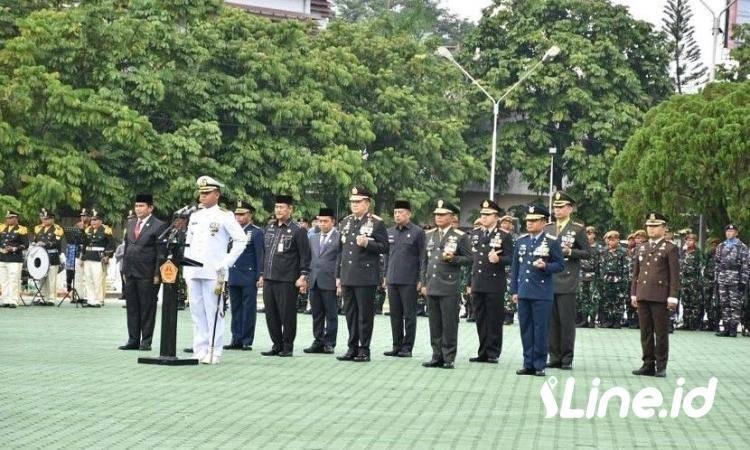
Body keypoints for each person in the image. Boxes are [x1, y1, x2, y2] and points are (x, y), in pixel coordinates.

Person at [182, 176, 247, 364]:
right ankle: (199, 348)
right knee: (196, 311)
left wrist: (226, 261)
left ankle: (214, 350)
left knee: (214, 311)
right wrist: (186, 269)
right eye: (201, 193)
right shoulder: (195, 216)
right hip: (194, 270)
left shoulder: (225, 216)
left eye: (207, 193)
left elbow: (241, 240)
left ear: (217, 194)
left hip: (213, 271)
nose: (202, 196)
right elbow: (189, 243)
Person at [510, 205, 564, 377]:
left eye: (534, 221)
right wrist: (514, 290)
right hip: (524, 291)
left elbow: (560, 265)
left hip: (541, 292)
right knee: (525, 329)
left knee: (540, 329)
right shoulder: (521, 241)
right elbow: (515, 267)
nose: (530, 224)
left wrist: (546, 266)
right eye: (528, 220)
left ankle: (539, 364)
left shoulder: (551, 241)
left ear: (543, 222)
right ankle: (528, 363)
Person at [336, 186, 388, 362]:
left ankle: (364, 349)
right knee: (350, 313)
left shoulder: (376, 223)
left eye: (358, 202)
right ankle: (352, 347)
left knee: (364, 315)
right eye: (352, 202)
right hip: (348, 275)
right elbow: (340, 251)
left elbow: (385, 247)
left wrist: (368, 244)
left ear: (367, 203)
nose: (354, 205)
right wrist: (338, 276)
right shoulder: (346, 222)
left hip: (365, 276)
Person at [420, 201, 472, 369]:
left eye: (442, 215)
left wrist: (454, 259)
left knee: (449, 323)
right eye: (437, 214)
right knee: (434, 323)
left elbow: (470, 259)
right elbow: (424, 261)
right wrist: (423, 282)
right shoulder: (429, 234)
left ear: (451, 217)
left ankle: (448, 357)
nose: (438, 217)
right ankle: (436, 355)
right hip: (432, 284)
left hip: (449, 284)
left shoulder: (460, 236)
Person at [259, 194, 311, 357]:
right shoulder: (270, 228)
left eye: (282, 207)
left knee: (287, 314)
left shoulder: (298, 230)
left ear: (290, 209)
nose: (278, 210)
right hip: (269, 277)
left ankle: (287, 346)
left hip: (287, 279)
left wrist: (303, 276)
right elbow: (264, 253)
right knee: (271, 313)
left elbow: (305, 256)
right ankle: (276, 344)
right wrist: (261, 274)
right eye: (276, 207)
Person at [544, 191, 589, 370]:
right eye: (555, 207)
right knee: (551, 322)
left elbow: (587, 252)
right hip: (549, 279)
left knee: (566, 322)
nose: (557, 210)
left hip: (567, 280)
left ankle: (566, 358)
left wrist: (571, 252)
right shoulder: (547, 228)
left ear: (570, 208)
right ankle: (553, 356)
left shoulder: (577, 228)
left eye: (561, 207)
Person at [631, 213, 679, 378]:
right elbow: (635, 274)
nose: (651, 229)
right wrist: (633, 294)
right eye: (649, 226)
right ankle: (647, 363)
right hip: (643, 294)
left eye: (655, 226)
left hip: (660, 296)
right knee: (645, 332)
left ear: (664, 228)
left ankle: (661, 365)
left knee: (661, 332)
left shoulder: (670, 248)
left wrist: (673, 297)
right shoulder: (641, 247)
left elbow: (674, 275)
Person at [119, 194, 167, 350]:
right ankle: (133, 339)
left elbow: (161, 253)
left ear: (150, 208)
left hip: (148, 274)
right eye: (136, 206)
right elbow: (127, 248)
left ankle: (146, 341)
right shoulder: (131, 223)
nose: (138, 209)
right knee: (132, 307)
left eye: (141, 206)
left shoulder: (159, 225)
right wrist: (124, 271)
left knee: (147, 308)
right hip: (131, 272)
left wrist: (157, 274)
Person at [468, 200, 513, 364]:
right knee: (480, 318)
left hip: (494, 283)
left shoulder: (504, 235)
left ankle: (493, 352)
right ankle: (482, 351)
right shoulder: (476, 234)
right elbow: (472, 260)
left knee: (494, 319)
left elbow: (511, 258)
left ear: (496, 216)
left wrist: (498, 259)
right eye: (482, 215)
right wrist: (469, 282)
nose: (483, 218)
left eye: (487, 215)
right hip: (478, 282)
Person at [383, 200, 424, 358]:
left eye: (401, 212)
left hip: (409, 279)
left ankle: (407, 347)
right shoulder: (390, 231)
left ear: (409, 214)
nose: (397, 215)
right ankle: (396, 345)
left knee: (409, 315)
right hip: (392, 278)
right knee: (395, 314)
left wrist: (421, 278)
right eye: (395, 213)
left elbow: (422, 257)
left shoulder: (417, 232)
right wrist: (385, 275)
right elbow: (386, 255)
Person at [225, 201, 264, 352]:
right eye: (237, 214)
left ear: (250, 215)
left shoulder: (256, 232)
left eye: (242, 214)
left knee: (248, 308)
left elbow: (260, 255)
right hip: (234, 274)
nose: (238, 217)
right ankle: (236, 338)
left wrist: (260, 274)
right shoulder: (231, 231)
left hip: (249, 275)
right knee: (235, 308)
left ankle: (247, 340)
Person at [303, 208, 340, 354]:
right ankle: (318, 341)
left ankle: (329, 342)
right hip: (314, 280)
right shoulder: (313, 237)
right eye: (320, 221)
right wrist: (306, 278)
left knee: (331, 314)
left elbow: (340, 259)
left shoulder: (339, 237)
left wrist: (339, 279)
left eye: (325, 221)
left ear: (333, 222)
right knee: (316, 313)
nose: (322, 224)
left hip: (330, 280)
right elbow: (309, 259)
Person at [714, 224, 749, 337]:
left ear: (736, 233)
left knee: (735, 304)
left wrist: (743, 281)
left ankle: (733, 328)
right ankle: (726, 327)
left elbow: (745, 265)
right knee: (724, 303)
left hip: (735, 278)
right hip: (723, 278)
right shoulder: (721, 246)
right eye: (728, 231)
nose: (729, 233)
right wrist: (716, 278)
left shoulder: (742, 247)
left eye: (732, 231)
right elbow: (717, 263)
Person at [81, 209, 114, 308]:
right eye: (92, 220)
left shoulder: (106, 230)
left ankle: (99, 299)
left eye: (96, 220)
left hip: (99, 258)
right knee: (88, 278)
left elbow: (111, 244)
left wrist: (107, 256)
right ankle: (91, 299)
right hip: (88, 256)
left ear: (101, 221)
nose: (93, 222)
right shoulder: (87, 230)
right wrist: (82, 258)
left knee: (98, 279)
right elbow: (85, 245)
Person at [598, 231, 629, 328]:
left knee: (618, 301)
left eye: (613, 239)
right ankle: (608, 320)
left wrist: (624, 280)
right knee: (607, 300)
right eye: (609, 240)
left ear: (617, 240)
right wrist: (601, 278)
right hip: (607, 279)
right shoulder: (604, 251)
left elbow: (626, 267)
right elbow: (601, 266)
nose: (611, 242)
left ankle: (617, 321)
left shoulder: (623, 251)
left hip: (619, 279)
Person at [32, 209, 64, 305]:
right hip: (41, 256)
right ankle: (43, 297)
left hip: (52, 255)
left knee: (51, 278)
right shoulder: (38, 228)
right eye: (43, 219)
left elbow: (57, 243)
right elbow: (35, 239)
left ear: (52, 219)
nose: (44, 221)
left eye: (47, 219)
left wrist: (45, 244)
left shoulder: (57, 229)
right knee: (41, 277)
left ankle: (51, 298)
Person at [0, 211, 28, 308]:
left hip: (14, 258)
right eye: (7, 218)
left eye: (10, 218)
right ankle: (5, 300)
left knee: (13, 280)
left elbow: (25, 244)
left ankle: (14, 300)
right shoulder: (2, 228)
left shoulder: (21, 229)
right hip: (2, 257)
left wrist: (14, 248)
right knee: (4, 280)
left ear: (16, 218)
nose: (8, 219)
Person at [678, 233, 704, 331]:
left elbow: (701, 266)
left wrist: (699, 280)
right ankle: (686, 322)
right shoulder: (683, 252)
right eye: (687, 240)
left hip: (694, 281)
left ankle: (694, 324)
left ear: (695, 242)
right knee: (685, 302)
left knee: (695, 303)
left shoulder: (698, 253)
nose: (689, 242)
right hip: (684, 281)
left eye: (691, 240)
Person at [577, 226, 600, 328]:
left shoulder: (598, 249)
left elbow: (597, 265)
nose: (587, 236)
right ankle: (584, 320)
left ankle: (592, 320)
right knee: (583, 298)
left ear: (594, 235)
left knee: (593, 299)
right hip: (582, 277)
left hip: (593, 277)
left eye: (590, 233)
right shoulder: (582, 248)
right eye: (586, 234)